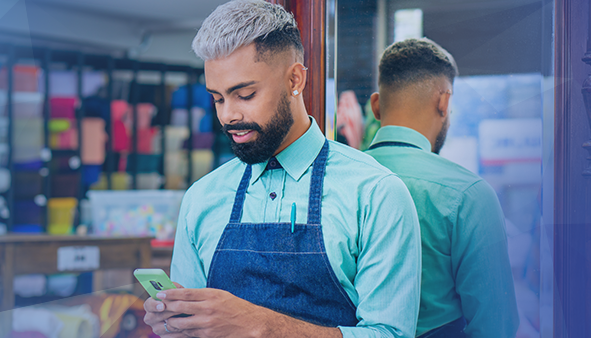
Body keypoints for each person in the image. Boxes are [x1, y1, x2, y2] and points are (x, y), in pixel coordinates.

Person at [142, 1, 422, 337]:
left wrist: (260, 325)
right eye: (217, 98)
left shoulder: (375, 193)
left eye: (244, 94)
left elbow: (391, 334)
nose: (228, 115)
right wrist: (174, 324)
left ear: (295, 79)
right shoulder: (201, 199)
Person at [365, 38, 519, 338]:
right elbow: (496, 327)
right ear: (444, 102)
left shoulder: (332, 180)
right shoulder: (469, 195)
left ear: (376, 106)